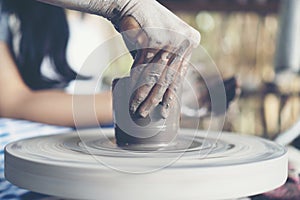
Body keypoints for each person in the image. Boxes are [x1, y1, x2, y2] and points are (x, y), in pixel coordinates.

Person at [0, 0, 201, 127]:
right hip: (21, 139)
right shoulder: (8, 11)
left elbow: (86, 90)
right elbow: (12, 103)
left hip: (75, 131)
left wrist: (183, 100)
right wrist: (129, 101)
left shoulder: (96, 16)